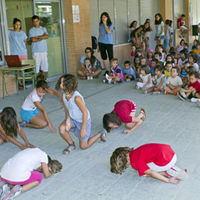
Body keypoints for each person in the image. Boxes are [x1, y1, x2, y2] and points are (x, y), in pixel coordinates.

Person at [56, 74, 106, 154]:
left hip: (83, 120)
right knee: (62, 128)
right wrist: (68, 120)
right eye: (60, 82)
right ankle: (71, 144)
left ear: (69, 85)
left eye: (63, 83)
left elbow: (85, 113)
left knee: (83, 146)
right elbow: (66, 109)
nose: (60, 85)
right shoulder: (64, 95)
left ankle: (101, 133)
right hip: (73, 119)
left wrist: (82, 129)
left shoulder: (77, 98)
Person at [110, 143, 188, 183]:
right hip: (172, 154)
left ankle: (167, 172)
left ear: (125, 162)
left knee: (145, 173)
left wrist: (168, 180)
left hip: (167, 161)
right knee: (147, 163)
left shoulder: (135, 161)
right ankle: (173, 168)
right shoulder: (136, 151)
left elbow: (151, 173)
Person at [8, 18, 28, 90]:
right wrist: (12, 28)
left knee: (22, 70)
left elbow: (25, 41)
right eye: (16, 24)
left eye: (19, 25)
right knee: (17, 70)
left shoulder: (23, 33)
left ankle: (21, 83)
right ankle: (20, 84)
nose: (18, 26)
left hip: (23, 53)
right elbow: (3, 28)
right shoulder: (10, 33)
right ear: (14, 25)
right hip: (15, 54)